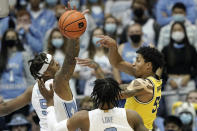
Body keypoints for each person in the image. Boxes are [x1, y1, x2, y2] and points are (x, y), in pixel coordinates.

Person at [0, 3, 88, 131]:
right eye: (53, 63)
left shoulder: (32, 90)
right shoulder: (59, 82)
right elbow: (70, 60)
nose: (58, 63)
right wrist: (74, 34)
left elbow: (6, 108)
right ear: (46, 73)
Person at [96, 36, 165, 130]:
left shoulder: (141, 84)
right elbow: (118, 63)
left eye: (138, 60)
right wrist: (113, 47)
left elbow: (119, 94)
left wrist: (100, 80)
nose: (133, 64)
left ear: (148, 65)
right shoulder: (156, 80)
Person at [38, 78, 148, 131]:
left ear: (95, 95)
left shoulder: (83, 117)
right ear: (117, 95)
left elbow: (53, 128)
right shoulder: (132, 116)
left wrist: (50, 103)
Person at [162, 21, 197, 115]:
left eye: (179, 30)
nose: (177, 32)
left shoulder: (191, 49)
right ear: (171, 32)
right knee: (172, 112)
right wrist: (169, 80)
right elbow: (160, 69)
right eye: (174, 30)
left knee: (189, 111)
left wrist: (189, 76)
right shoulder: (166, 49)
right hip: (171, 83)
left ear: (184, 32)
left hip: (187, 83)